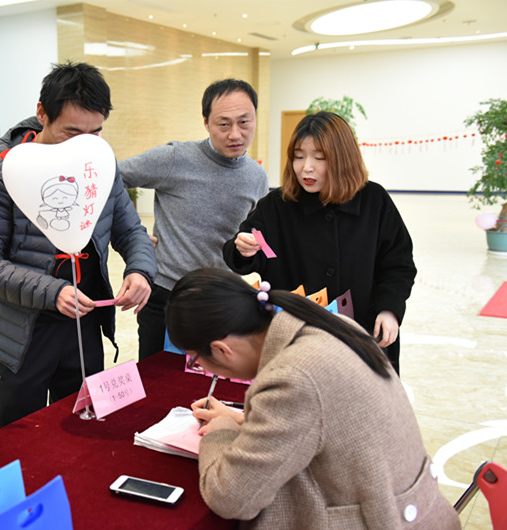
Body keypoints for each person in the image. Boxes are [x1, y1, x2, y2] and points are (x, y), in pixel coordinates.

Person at [165, 268, 460, 529]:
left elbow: (231, 499)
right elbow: (325, 425)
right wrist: (241, 420)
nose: (201, 368)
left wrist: (221, 434)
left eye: (196, 360)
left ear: (221, 349)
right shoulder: (329, 325)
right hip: (417, 511)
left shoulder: (292, 377)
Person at [0, 62, 156, 428]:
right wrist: (53, 292)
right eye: (72, 132)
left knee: (84, 424)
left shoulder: (100, 164)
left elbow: (131, 231)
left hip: (84, 319)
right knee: (22, 433)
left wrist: (140, 271)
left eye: (95, 132)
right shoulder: (0, 172)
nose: (85, 144)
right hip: (20, 328)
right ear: (42, 113)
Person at [223, 111, 416, 373]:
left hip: (363, 334)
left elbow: (398, 264)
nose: (306, 167)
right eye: (298, 157)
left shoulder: (374, 201)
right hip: (297, 339)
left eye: (320, 158)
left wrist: (389, 310)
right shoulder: (277, 206)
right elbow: (239, 252)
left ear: (343, 159)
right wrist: (243, 248)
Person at [119, 79, 268, 360]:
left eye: (244, 122)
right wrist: (131, 233)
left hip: (220, 300)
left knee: (210, 380)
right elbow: (110, 179)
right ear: (206, 122)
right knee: (157, 380)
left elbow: (254, 238)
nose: (235, 134)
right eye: (223, 124)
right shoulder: (174, 158)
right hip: (166, 296)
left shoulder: (257, 177)